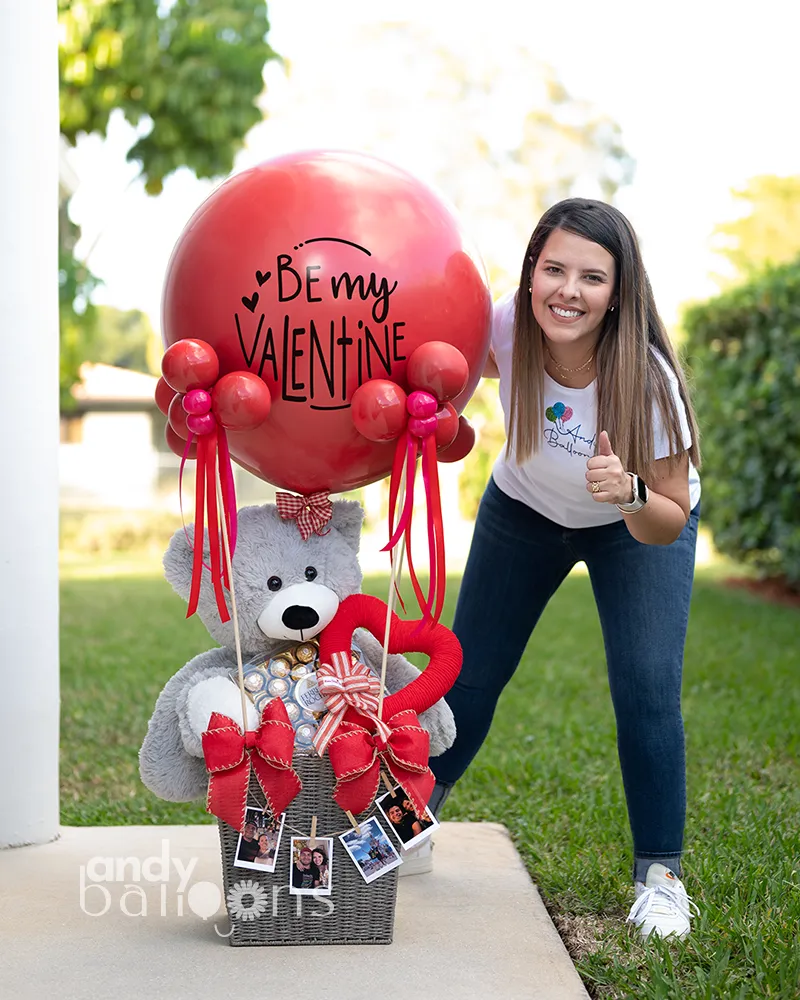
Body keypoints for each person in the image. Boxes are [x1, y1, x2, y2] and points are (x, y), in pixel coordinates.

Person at [430, 198, 701, 940]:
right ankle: (406, 819)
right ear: (530, 273)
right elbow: (440, 364)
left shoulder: (647, 380)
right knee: (469, 677)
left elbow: (669, 515)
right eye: (553, 269)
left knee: (646, 688)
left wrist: (631, 492)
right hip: (523, 511)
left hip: (633, 528)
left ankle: (661, 878)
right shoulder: (507, 326)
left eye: (591, 276)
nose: (567, 291)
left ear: (619, 290)